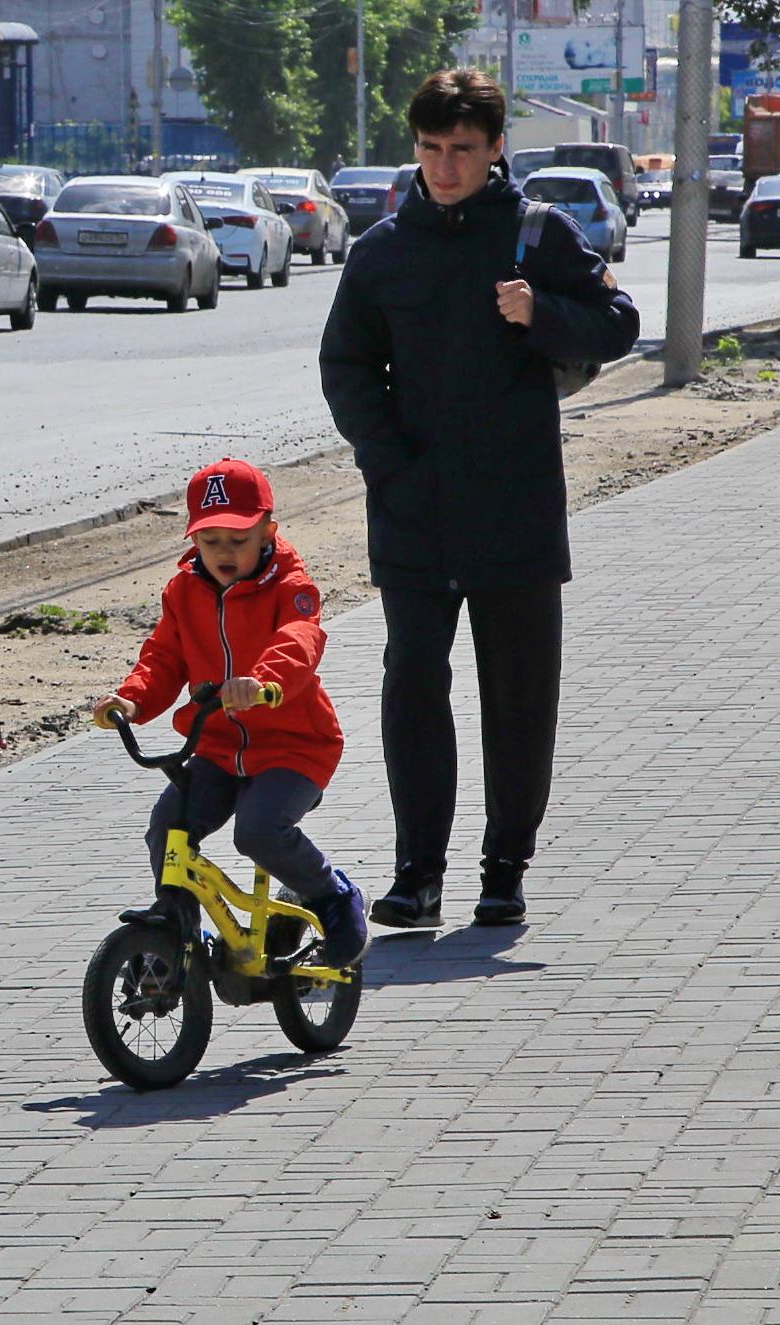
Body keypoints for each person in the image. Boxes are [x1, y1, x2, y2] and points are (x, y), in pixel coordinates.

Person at [317, 68, 638, 931]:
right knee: (413, 685)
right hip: (414, 511)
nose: (445, 165)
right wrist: (389, 464)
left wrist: (542, 313)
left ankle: (505, 870)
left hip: (516, 509)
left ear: (497, 148)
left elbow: (619, 323)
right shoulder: (382, 251)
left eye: (462, 148)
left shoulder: (538, 234)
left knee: (520, 696)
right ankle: (417, 872)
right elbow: (346, 367)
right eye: (431, 148)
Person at [91, 458, 366, 968]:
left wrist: (263, 682)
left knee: (258, 832)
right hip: (216, 747)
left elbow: (299, 641)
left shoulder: (291, 587)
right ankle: (176, 929)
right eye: (210, 539)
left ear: (268, 533)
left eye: (238, 540)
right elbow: (164, 657)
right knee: (168, 824)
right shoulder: (183, 591)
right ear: (193, 538)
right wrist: (131, 700)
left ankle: (333, 894)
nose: (223, 552)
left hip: (294, 748)